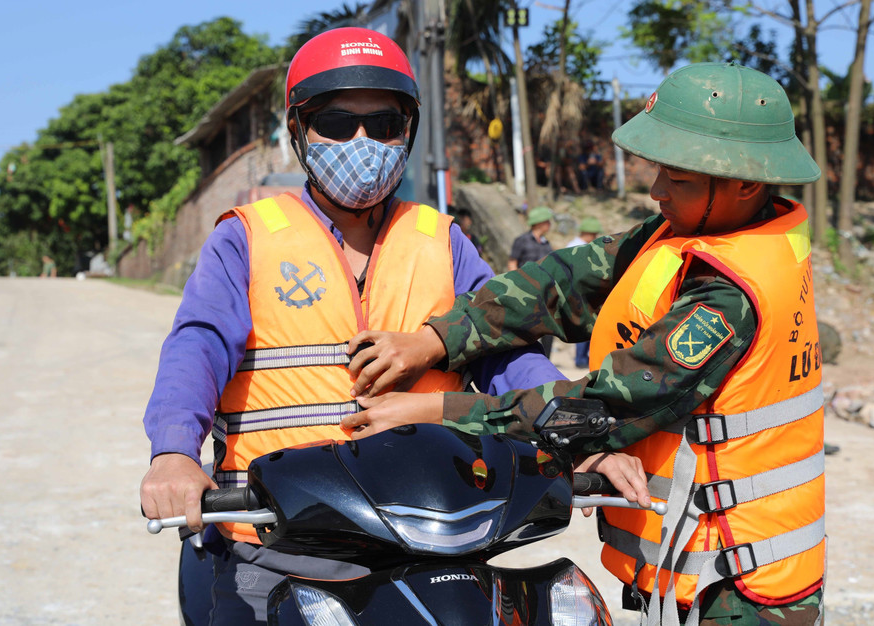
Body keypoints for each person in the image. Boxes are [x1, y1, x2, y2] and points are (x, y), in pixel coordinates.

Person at [343, 63, 826, 625]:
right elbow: (559, 283)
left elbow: (597, 409)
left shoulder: (726, 302)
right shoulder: (682, 234)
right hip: (699, 567)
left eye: (680, 179)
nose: (656, 191)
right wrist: (435, 341)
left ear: (746, 184)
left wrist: (437, 409)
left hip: (739, 584)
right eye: (658, 171)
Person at [138, 27, 563, 624]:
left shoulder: (442, 241)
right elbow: (198, 346)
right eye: (337, 124)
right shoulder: (248, 237)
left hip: (434, 535)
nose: (363, 141)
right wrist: (174, 452)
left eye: (384, 125)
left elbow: (507, 351)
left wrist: (573, 429)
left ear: (407, 132)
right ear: (298, 133)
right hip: (276, 539)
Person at [509, 205, 555, 357]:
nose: (549, 224)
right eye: (547, 221)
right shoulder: (521, 241)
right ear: (539, 222)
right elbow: (513, 263)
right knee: (527, 326)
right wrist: (516, 285)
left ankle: (546, 358)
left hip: (544, 292)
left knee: (549, 327)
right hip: (525, 290)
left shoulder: (546, 244)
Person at [566, 217, 603, 368]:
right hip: (577, 292)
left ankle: (585, 357)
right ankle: (580, 359)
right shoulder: (576, 247)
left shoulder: (583, 246)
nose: (595, 237)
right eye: (594, 234)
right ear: (588, 233)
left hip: (586, 292)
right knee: (583, 326)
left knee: (590, 326)